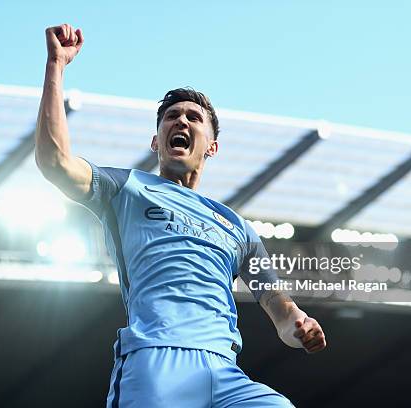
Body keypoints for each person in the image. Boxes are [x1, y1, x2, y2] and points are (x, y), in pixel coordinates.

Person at [35, 23, 326, 408]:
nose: (181, 121)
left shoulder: (237, 228)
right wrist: (56, 65)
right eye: (171, 116)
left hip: (225, 373)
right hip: (157, 361)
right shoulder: (126, 188)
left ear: (212, 146)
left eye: (193, 117)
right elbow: (55, 162)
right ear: (157, 141)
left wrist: (300, 327)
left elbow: (280, 309)